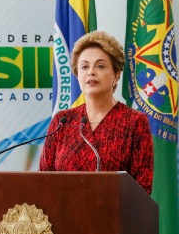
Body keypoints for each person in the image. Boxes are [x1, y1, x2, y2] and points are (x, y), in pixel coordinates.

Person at [39, 31, 154, 195]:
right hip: (62, 217)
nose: (91, 72)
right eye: (84, 66)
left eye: (100, 66)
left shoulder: (135, 122)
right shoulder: (62, 121)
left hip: (114, 218)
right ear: (77, 75)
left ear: (116, 75)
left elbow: (142, 188)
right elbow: (43, 181)